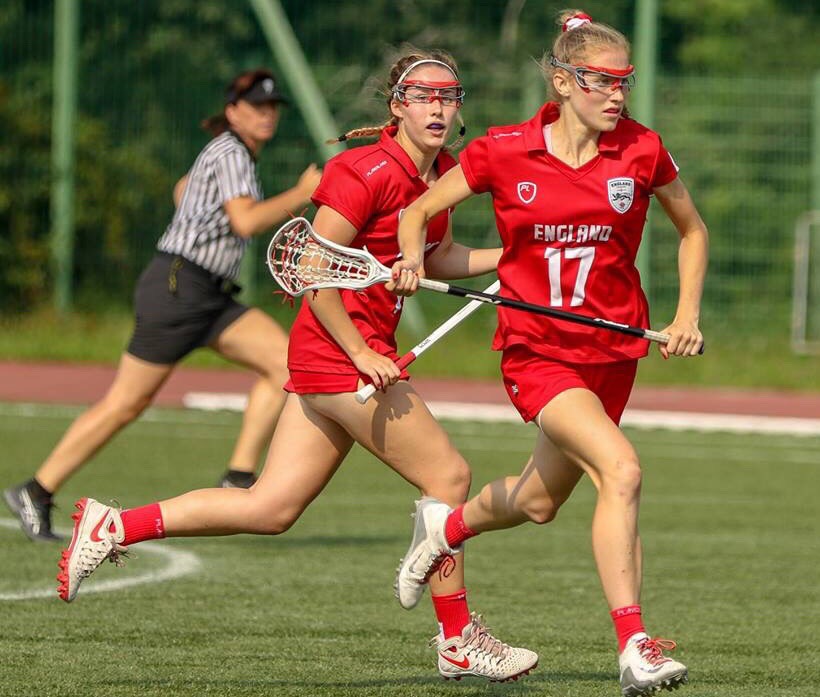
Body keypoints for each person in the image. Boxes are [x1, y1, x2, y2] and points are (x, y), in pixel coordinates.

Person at [55, 48, 538, 683]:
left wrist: (514, 258)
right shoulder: (362, 171)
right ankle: (457, 640)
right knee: (447, 476)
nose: (438, 107)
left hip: (341, 358)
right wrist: (361, 352)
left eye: (449, 96)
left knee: (270, 508)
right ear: (397, 105)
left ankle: (114, 525)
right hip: (339, 356)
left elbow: (439, 255)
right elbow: (311, 270)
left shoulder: (441, 173)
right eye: (424, 95)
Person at [389, 12, 708, 697]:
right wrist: (412, 258)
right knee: (621, 470)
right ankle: (635, 647)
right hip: (537, 351)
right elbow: (416, 213)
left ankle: (444, 526)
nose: (617, 94)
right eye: (601, 81)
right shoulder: (503, 150)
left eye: (624, 81)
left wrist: (686, 314)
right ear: (563, 82)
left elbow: (693, 231)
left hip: (614, 350)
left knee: (537, 502)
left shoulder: (642, 149)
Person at [3, 68, 321, 542]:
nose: (267, 115)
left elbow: (181, 190)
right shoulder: (231, 151)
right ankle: (36, 490)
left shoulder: (226, 152)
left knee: (286, 363)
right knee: (126, 403)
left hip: (209, 295)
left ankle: (237, 477)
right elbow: (245, 222)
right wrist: (301, 193)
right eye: (257, 106)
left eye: (273, 107)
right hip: (179, 288)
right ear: (233, 111)